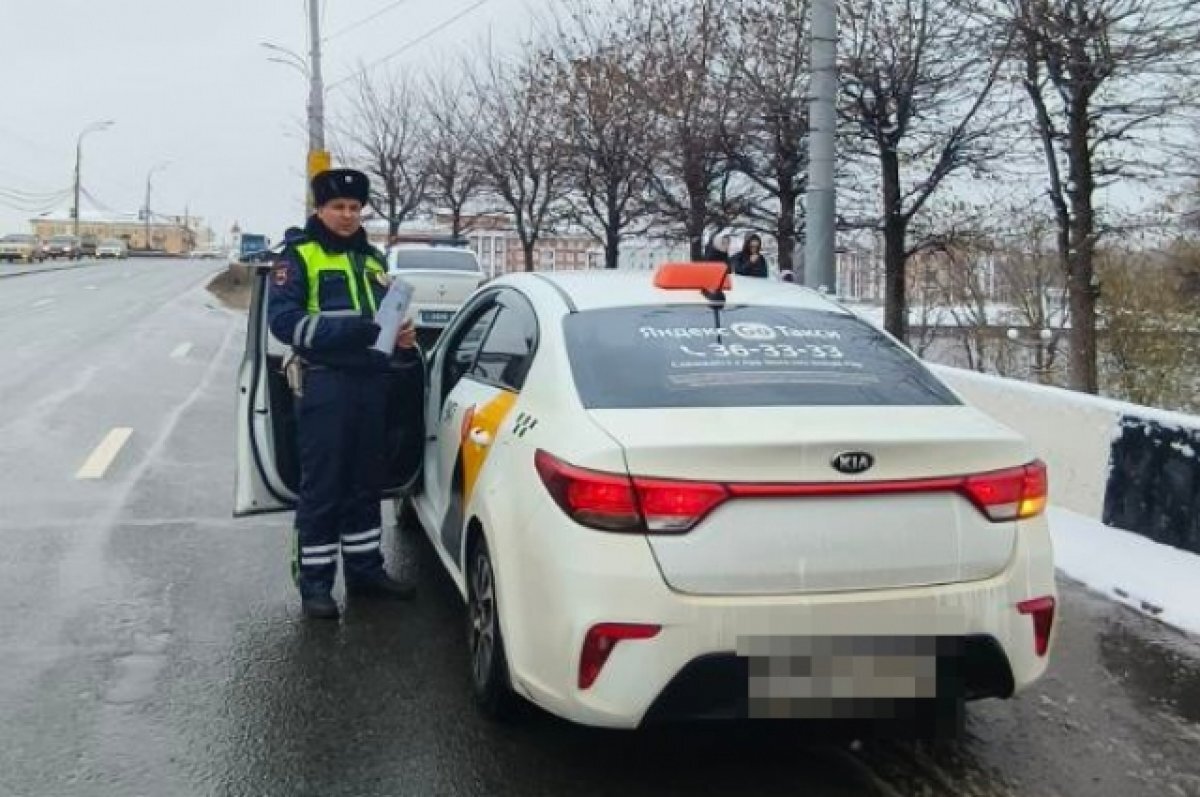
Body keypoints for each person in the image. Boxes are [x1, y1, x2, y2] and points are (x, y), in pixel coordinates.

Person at [267, 167, 421, 620]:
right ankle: (315, 584)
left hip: (372, 382)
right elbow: (286, 323)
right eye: (338, 207)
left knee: (364, 483)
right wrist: (351, 330)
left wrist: (402, 334)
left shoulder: (371, 259)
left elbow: (384, 316)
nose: (348, 215)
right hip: (325, 383)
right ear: (319, 208)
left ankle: (365, 571)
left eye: (355, 207)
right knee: (324, 487)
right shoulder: (298, 255)